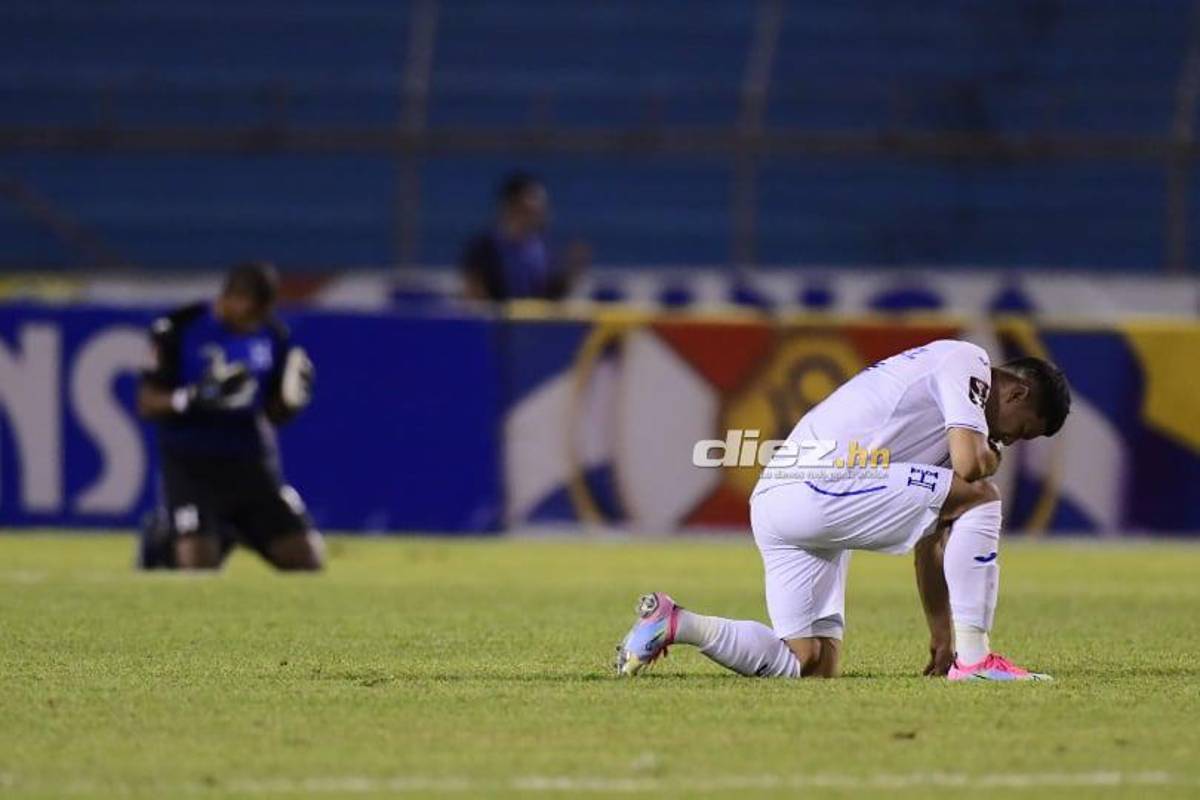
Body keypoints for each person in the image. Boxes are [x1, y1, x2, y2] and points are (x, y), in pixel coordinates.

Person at [616, 339, 1071, 681]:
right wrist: (989, 457)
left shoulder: (950, 426)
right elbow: (974, 467)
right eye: (1023, 432)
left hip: (783, 500)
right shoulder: (967, 361)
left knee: (811, 661)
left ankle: (676, 622)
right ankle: (977, 660)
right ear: (1017, 395)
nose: (1011, 442)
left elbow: (931, 542)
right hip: (824, 483)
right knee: (985, 494)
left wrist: (940, 634)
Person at [136, 262, 323, 571]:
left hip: (250, 463)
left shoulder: (272, 334)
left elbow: (274, 415)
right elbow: (146, 403)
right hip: (193, 464)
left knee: (305, 559)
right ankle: (163, 539)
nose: (255, 322)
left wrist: (292, 400)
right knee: (198, 567)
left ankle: (235, 529)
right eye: (251, 312)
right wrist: (193, 398)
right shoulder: (180, 328)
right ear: (232, 298)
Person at [460, 171, 585, 301]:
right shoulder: (482, 248)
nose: (542, 210)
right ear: (512, 204)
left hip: (537, 320)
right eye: (535, 202)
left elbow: (552, 297)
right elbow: (475, 298)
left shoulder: (543, 249)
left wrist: (572, 271)